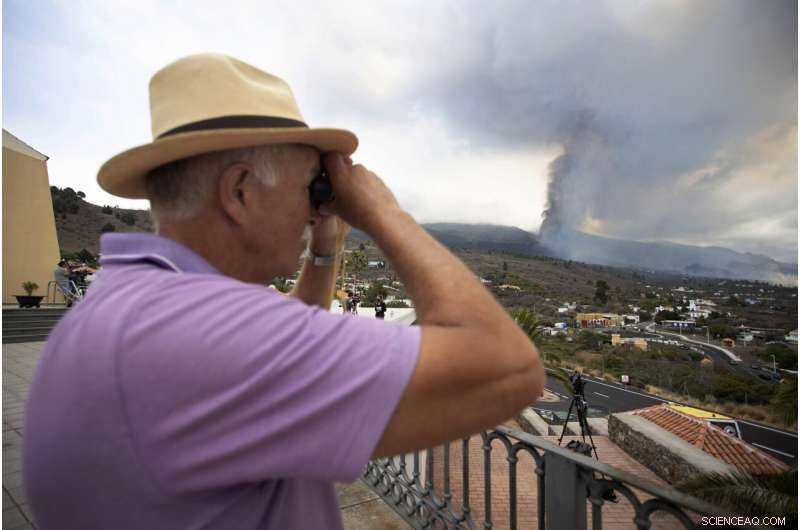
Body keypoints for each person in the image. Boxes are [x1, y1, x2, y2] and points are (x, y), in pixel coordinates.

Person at [23, 54, 544, 530]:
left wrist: (325, 249)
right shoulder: (203, 337)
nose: (320, 207)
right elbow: (509, 369)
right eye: (313, 188)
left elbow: (277, 341)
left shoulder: (127, 306)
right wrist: (383, 212)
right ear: (241, 191)